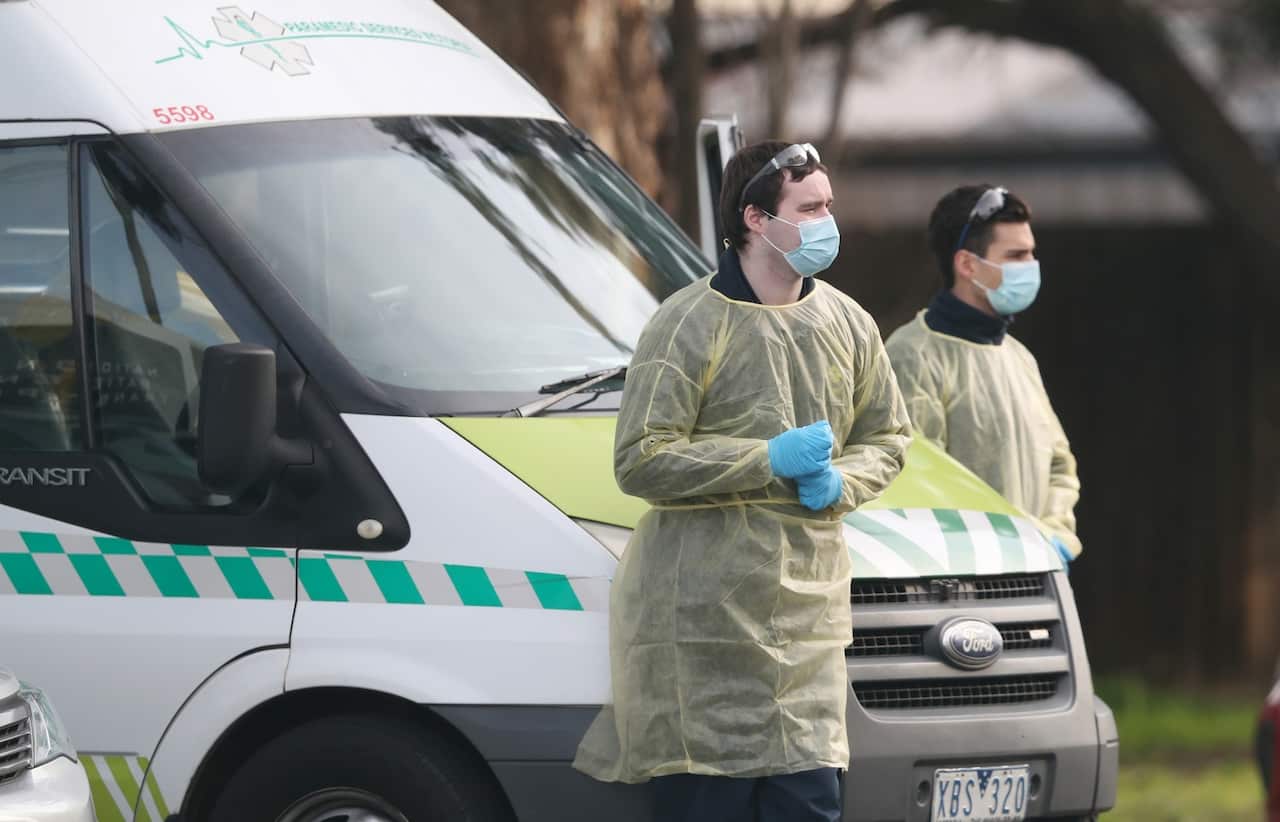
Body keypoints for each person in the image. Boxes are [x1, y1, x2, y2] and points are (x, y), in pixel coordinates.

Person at [573, 140, 911, 821]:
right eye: (809, 207)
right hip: (704, 633)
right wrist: (765, 458)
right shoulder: (687, 323)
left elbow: (889, 436)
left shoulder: (847, 323)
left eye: (828, 206)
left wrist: (842, 483)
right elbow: (640, 457)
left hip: (808, 634)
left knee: (808, 802)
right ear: (757, 219)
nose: (826, 221)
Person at [884, 185, 1081, 567]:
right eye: (1016, 255)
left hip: (1036, 570)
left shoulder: (1017, 357)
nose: (1030, 265)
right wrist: (993, 550)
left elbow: (1060, 465)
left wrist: (1054, 536)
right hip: (961, 580)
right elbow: (919, 482)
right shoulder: (914, 356)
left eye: (1031, 253)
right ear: (968, 265)